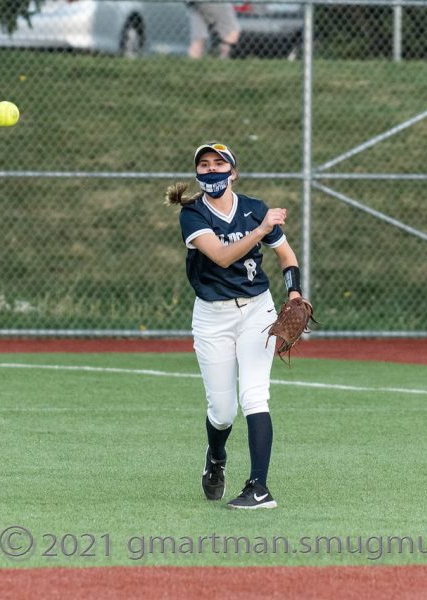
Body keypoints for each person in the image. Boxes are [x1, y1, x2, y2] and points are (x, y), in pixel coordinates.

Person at [166, 142, 303, 510]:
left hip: (258, 311)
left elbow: (287, 256)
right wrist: (261, 230)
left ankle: (259, 487)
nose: (212, 170)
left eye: (219, 164)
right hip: (213, 317)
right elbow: (223, 256)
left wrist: (293, 295)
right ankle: (216, 456)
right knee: (223, 411)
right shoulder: (193, 214)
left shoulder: (254, 208)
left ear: (233, 172)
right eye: (205, 165)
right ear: (198, 174)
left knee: (254, 396)